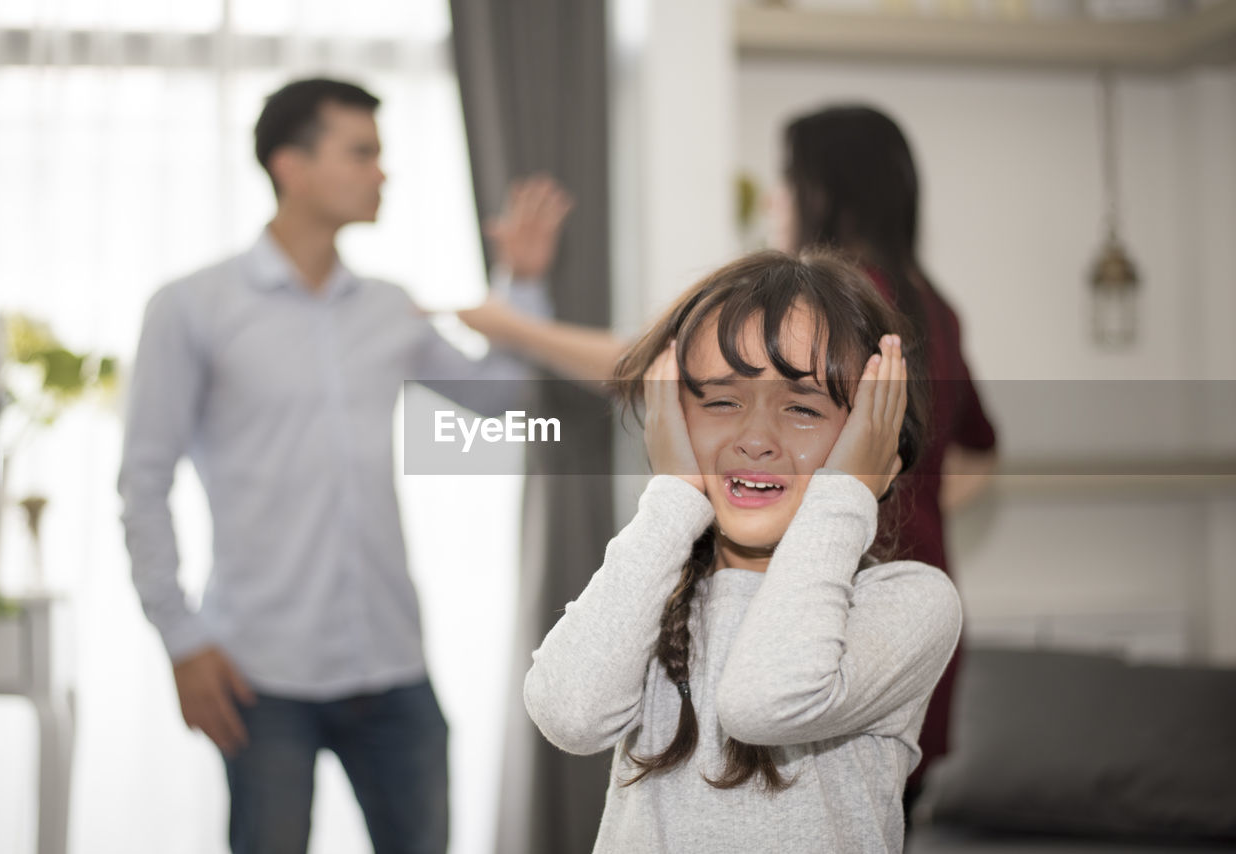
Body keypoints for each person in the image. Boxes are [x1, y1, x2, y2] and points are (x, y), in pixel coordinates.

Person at [118, 77, 571, 854]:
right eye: (362, 153)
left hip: (393, 668)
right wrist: (182, 639)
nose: (381, 172)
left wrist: (522, 284)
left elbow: (497, 406)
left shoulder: (389, 307)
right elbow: (143, 483)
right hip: (261, 674)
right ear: (290, 165)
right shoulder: (192, 306)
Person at [523, 251, 961, 853]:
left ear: (875, 450)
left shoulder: (908, 602)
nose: (756, 439)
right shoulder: (649, 591)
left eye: (804, 408)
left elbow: (766, 702)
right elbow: (569, 712)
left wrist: (844, 493)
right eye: (721, 401)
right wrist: (674, 495)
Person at [775, 105, 997, 798]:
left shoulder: (834, 304)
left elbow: (663, 365)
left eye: (786, 180)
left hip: (843, 622)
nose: (776, 199)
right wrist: (906, 498)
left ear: (824, 193)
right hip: (922, 616)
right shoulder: (938, 307)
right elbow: (981, 453)